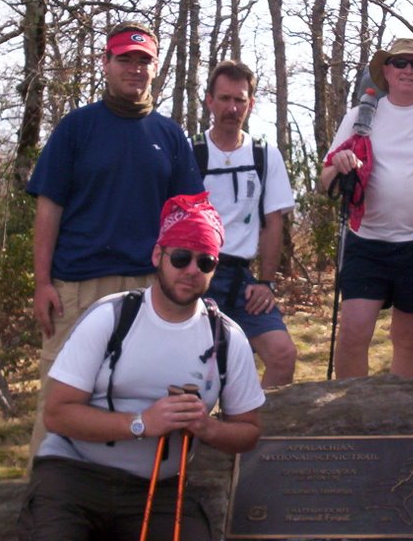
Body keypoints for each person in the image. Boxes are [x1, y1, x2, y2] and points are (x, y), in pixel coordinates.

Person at [19, 192, 265, 541]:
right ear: (157, 255)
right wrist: (141, 424)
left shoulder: (226, 337)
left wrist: (206, 429)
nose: (192, 270)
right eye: (181, 257)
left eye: (205, 262)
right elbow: (57, 414)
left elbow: (250, 431)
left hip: (160, 487)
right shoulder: (112, 316)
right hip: (74, 475)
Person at [25, 20, 204, 459]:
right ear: (106, 63)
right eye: (125, 58)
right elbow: (48, 209)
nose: (135, 68)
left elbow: (192, 216)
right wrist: (42, 282)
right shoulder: (77, 128)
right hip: (78, 286)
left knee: (140, 393)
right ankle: (41, 496)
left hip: (148, 286)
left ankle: (135, 491)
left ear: (155, 67)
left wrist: (189, 280)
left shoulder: (170, 135)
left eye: (143, 60)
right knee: (61, 398)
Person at [321, 37, 413, 378]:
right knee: (354, 332)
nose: (408, 70)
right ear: (385, 70)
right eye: (400, 63)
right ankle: (351, 412)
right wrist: (339, 164)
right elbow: (326, 180)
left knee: (407, 337)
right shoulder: (360, 118)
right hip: (366, 241)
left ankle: (402, 415)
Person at [195, 60, 297, 387]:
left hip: (242, 277)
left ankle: (254, 431)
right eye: (224, 99)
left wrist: (266, 283)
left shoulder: (264, 155)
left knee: (283, 355)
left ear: (251, 104)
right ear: (209, 100)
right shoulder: (190, 151)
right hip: (194, 274)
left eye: (240, 100)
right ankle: (197, 435)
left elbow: (272, 222)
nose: (232, 107)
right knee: (194, 367)